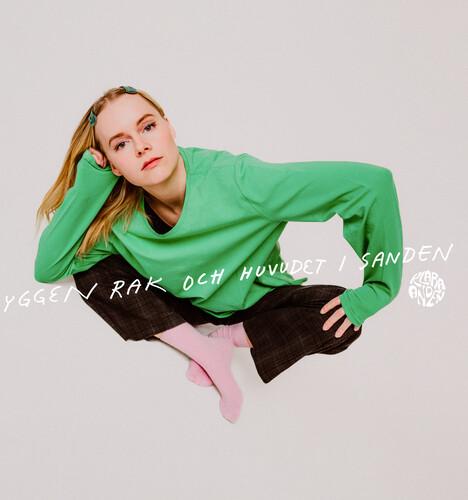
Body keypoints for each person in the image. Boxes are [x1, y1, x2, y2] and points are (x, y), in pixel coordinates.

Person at [34, 85, 403, 423]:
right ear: (113, 165)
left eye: (147, 127)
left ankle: (228, 339)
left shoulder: (239, 180)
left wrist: (380, 288)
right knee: (94, 272)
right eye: (121, 144)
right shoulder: (119, 218)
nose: (141, 146)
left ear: (169, 127)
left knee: (344, 317)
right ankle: (203, 349)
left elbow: (371, 184)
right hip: (183, 302)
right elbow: (49, 267)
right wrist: (89, 186)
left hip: (257, 302)